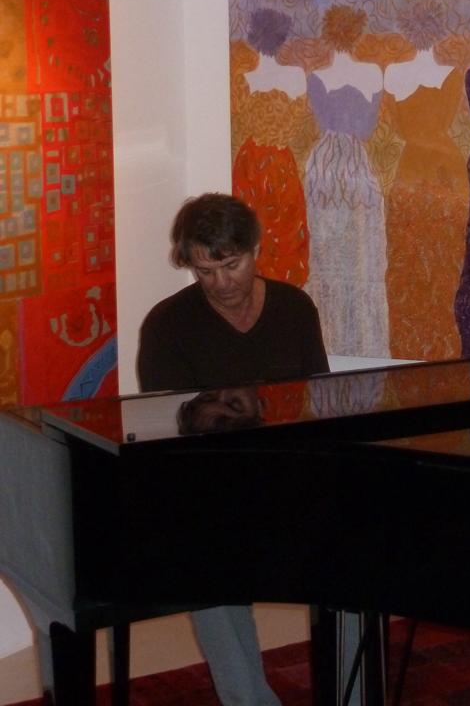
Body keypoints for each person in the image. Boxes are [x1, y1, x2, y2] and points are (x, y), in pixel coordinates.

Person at [137, 193, 329, 706]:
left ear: (256, 249)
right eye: (205, 271)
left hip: (291, 477)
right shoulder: (167, 325)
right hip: (212, 489)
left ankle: (350, 692)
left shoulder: (294, 308)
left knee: (356, 543)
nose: (221, 282)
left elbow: (319, 404)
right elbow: (174, 435)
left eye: (231, 264)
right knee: (205, 554)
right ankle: (249, 700)